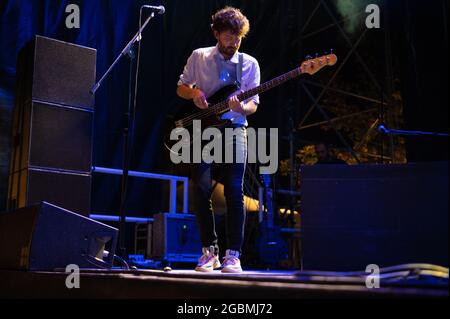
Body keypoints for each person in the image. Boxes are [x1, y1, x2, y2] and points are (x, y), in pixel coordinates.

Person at [176, 6, 260, 273]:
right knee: (200, 189)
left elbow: (254, 104)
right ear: (216, 33)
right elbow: (181, 87)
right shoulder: (199, 56)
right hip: (202, 129)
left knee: (235, 190)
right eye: (228, 37)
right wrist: (194, 93)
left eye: (237, 37)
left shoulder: (249, 63)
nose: (233, 43)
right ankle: (208, 252)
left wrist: (242, 108)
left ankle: (233, 255)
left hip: (235, 127)